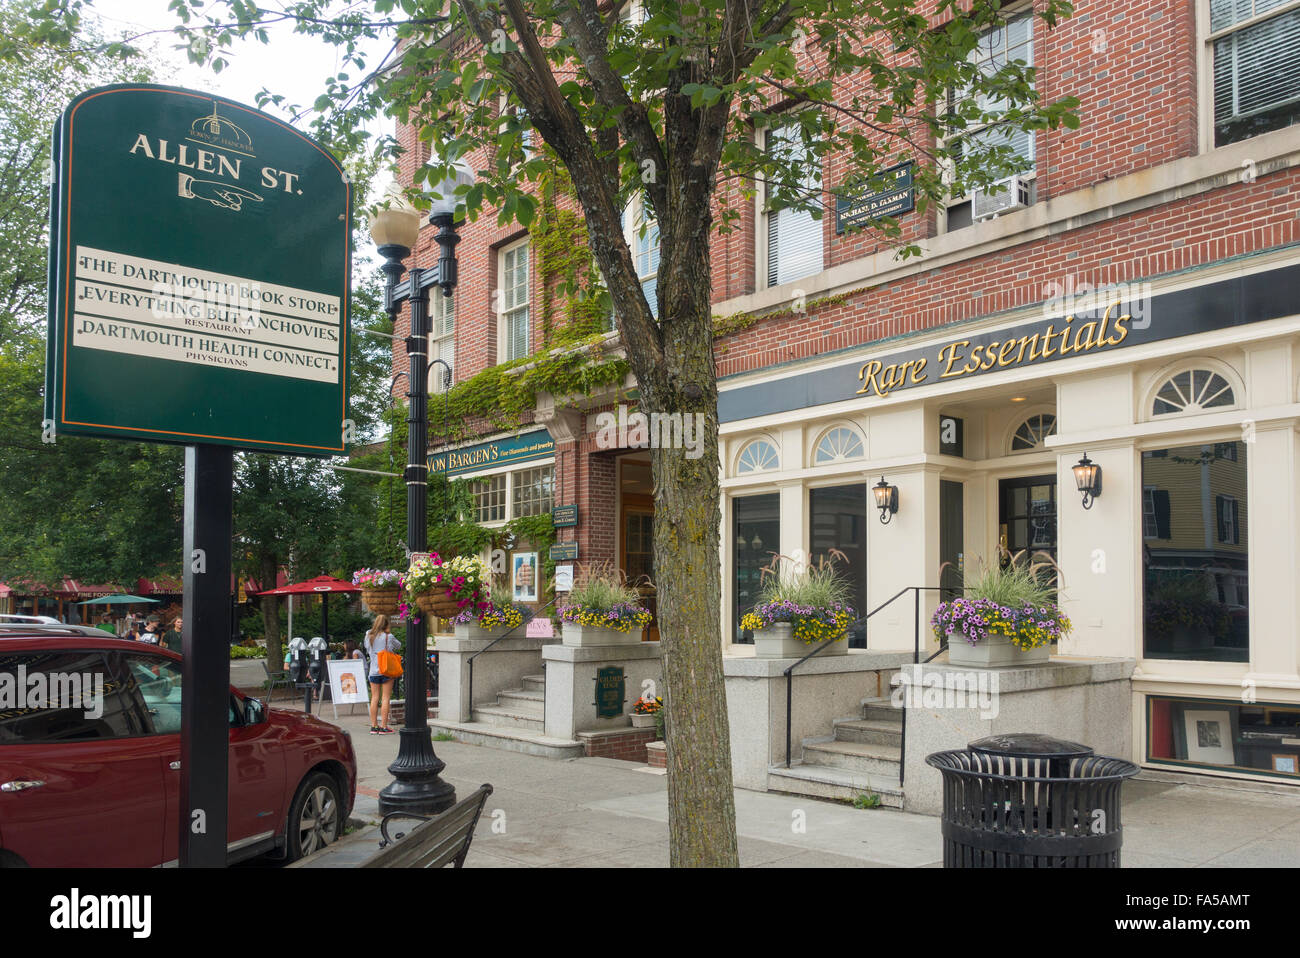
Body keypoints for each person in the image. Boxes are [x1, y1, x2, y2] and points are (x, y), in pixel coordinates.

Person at [364, 615, 401, 735]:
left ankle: (374, 727)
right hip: (386, 670)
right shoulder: (388, 637)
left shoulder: (369, 636)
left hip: (373, 671)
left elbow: (366, 648)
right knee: (385, 698)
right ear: (386, 625)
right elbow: (398, 646)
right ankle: (384, 727)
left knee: (374, 698)